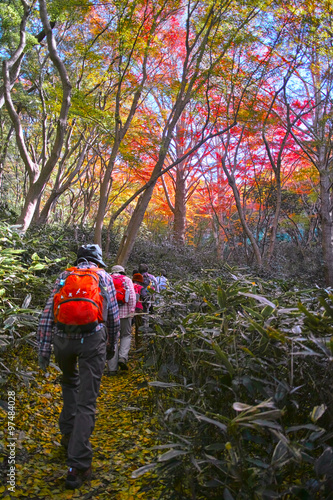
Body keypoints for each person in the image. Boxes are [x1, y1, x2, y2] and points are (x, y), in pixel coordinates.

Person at [37, 244, 120, 490]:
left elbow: (47, 313)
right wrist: (110, 347)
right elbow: (113, 316)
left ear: (79, 259)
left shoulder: (64, 275)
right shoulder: (103, 277)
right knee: (87, 401)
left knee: (69, 383)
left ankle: (67, 437)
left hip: (63, 341)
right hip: (92, 339)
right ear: (98, 261)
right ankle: (78, 464)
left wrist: (43, 350)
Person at [107, 265, 136, 375]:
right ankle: (123, 357)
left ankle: (112, 369)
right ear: (123, 271)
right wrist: (131, 311)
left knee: (112, 338)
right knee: (126, 335)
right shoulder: (127, 280)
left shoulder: (107, 278)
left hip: (110, 315)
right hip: (125, 314)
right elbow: (132, 297)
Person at [132, 272, 149, 348]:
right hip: (139, 308)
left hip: (128, 309)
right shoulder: (140, 288)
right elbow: (145, 297)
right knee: (139, 327)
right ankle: (138, 345)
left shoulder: (129, 285)